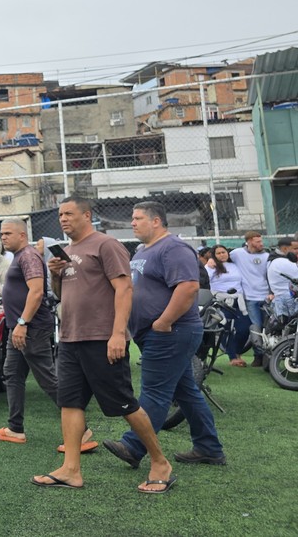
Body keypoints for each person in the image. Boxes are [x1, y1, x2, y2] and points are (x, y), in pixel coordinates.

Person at [34, 197, 174, 493]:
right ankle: (71, 469)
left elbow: (124, 288)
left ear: (87, 215)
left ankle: (160, 462)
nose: (63, 219)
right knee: (69, 402)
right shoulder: (68, 252)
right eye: (60, 215)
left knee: (124, 403)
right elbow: (60, 294)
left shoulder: (105, 245)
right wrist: (55, 273)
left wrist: (117, 334)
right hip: (71, 337)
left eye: (69, 214)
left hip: (101, 337)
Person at [103, 201, 225, 473]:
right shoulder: (142, 250)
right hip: (153, 333)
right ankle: (209, 448)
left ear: (156, 220)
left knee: (155, 391)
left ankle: (134, 446)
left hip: (172, 332)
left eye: (137, 218)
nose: (132, 223)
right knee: (187, 392)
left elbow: (189, 287)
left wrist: (163, 321)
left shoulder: (174, 248)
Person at [0, 219, 97, 452]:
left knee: (47, 379)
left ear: (22, 235)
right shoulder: (19, 256)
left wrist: (23, 323)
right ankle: (15, 429)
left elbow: (36, 292)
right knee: (12, 375)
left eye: (7, 233)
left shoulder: (28, 256)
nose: (3, 237)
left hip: (30, 328)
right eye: (1, 233)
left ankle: (83, 431)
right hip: (19, 327)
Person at [229, 231, 270, 366]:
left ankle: (268, 356)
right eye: (258, 241)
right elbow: (221, 258)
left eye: (261, 241)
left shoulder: (267, 256)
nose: (261, 244)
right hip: (250, 298)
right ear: (249, 241)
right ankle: (258, 356)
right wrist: (212, 261)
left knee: (268, 327)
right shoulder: (237, 254)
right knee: (255, 327)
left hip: (267, 296)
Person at [205, 244, 249, 367]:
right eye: (218, 253)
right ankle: (232, 357)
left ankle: (237, 352)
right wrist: (209, 265)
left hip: (238, 301)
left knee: (244, 328)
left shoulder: (235, 265)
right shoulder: (211, 267)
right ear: (214, 255)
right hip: (221, 302)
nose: (221, 255)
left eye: (223, 252)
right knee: (226, 329)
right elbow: (204, 279)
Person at [266, 237, 298, 320]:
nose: (297, 251)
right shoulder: (283, 262)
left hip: (282, 299)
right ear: (285, 249)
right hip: (289, 301)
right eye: (295, 248)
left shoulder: (274, 259)